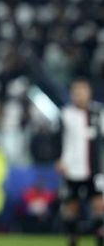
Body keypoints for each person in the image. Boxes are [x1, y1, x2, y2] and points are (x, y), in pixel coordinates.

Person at [55, 78, 104, 246]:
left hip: (95, 169)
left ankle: (100, 237)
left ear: (89, 92)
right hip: (71, 169)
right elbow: (58, 140)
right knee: (71, 208)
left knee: (99, 205)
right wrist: (59, 159)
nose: (79, 95)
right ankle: (73, 239)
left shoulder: (98, 113)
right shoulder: (65, 114)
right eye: (76, 92)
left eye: (82, 91)